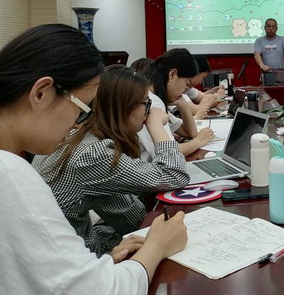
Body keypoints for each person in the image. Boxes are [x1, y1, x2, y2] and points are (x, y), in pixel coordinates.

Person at [0, 24, 187, 295]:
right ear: (41, 93)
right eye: (83, 108)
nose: (79, 123)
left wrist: (105, 260)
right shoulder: (11, 172)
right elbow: (95, 290)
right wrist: (156, 247)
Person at [33, 65, 189, 257]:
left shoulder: (73, 136)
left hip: (62, 250)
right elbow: (175, 175)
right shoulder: (92, 155)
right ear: (122, 106)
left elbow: (132, 219)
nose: (148, 112)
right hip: (75, 259)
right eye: (145, 104)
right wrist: (156, 125)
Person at [138, 48, 214, 160]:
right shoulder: (152, 102)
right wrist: (199, 141)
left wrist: (182, 103)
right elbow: (169, 153)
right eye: (187, 84)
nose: (185, 90)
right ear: (172, 75)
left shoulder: (155, 97)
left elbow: (190, 132)